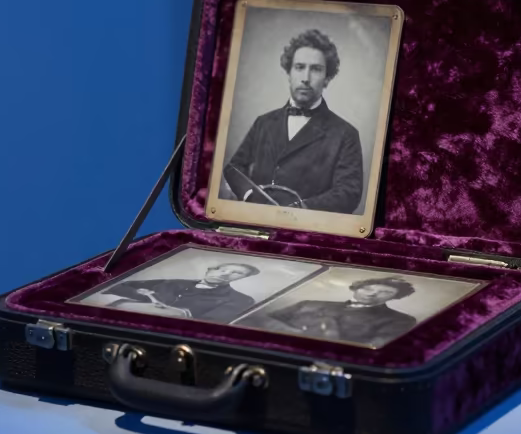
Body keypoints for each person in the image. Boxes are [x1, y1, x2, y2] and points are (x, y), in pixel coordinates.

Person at [223, 29, 364, 214]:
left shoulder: (345, 134)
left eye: (316, 69)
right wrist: (250, 195)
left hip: (306, 232)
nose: (305, 78)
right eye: (299, 67)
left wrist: (298, 210)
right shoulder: (263, 123)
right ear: (289, 73)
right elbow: (233, 169)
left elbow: (348, 194)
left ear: (327, 78)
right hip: (255, 222)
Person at [252, 276, 417, 347]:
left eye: (385, 292)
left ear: (396, 297)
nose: (372, 293)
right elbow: (263, 319)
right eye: (367, 288)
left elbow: (375, 348)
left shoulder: (400, 320)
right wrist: (292, 333)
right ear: (356, 289)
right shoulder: (310, 303)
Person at [101, 260, 260, 323]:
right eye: (222, 269)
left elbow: (209, 324)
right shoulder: (175, 282)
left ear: (241, 278)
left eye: (236, 273)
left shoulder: (241, 300)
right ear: (211, 269)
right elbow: (118, 286)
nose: (225, 274)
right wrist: (144, 297)